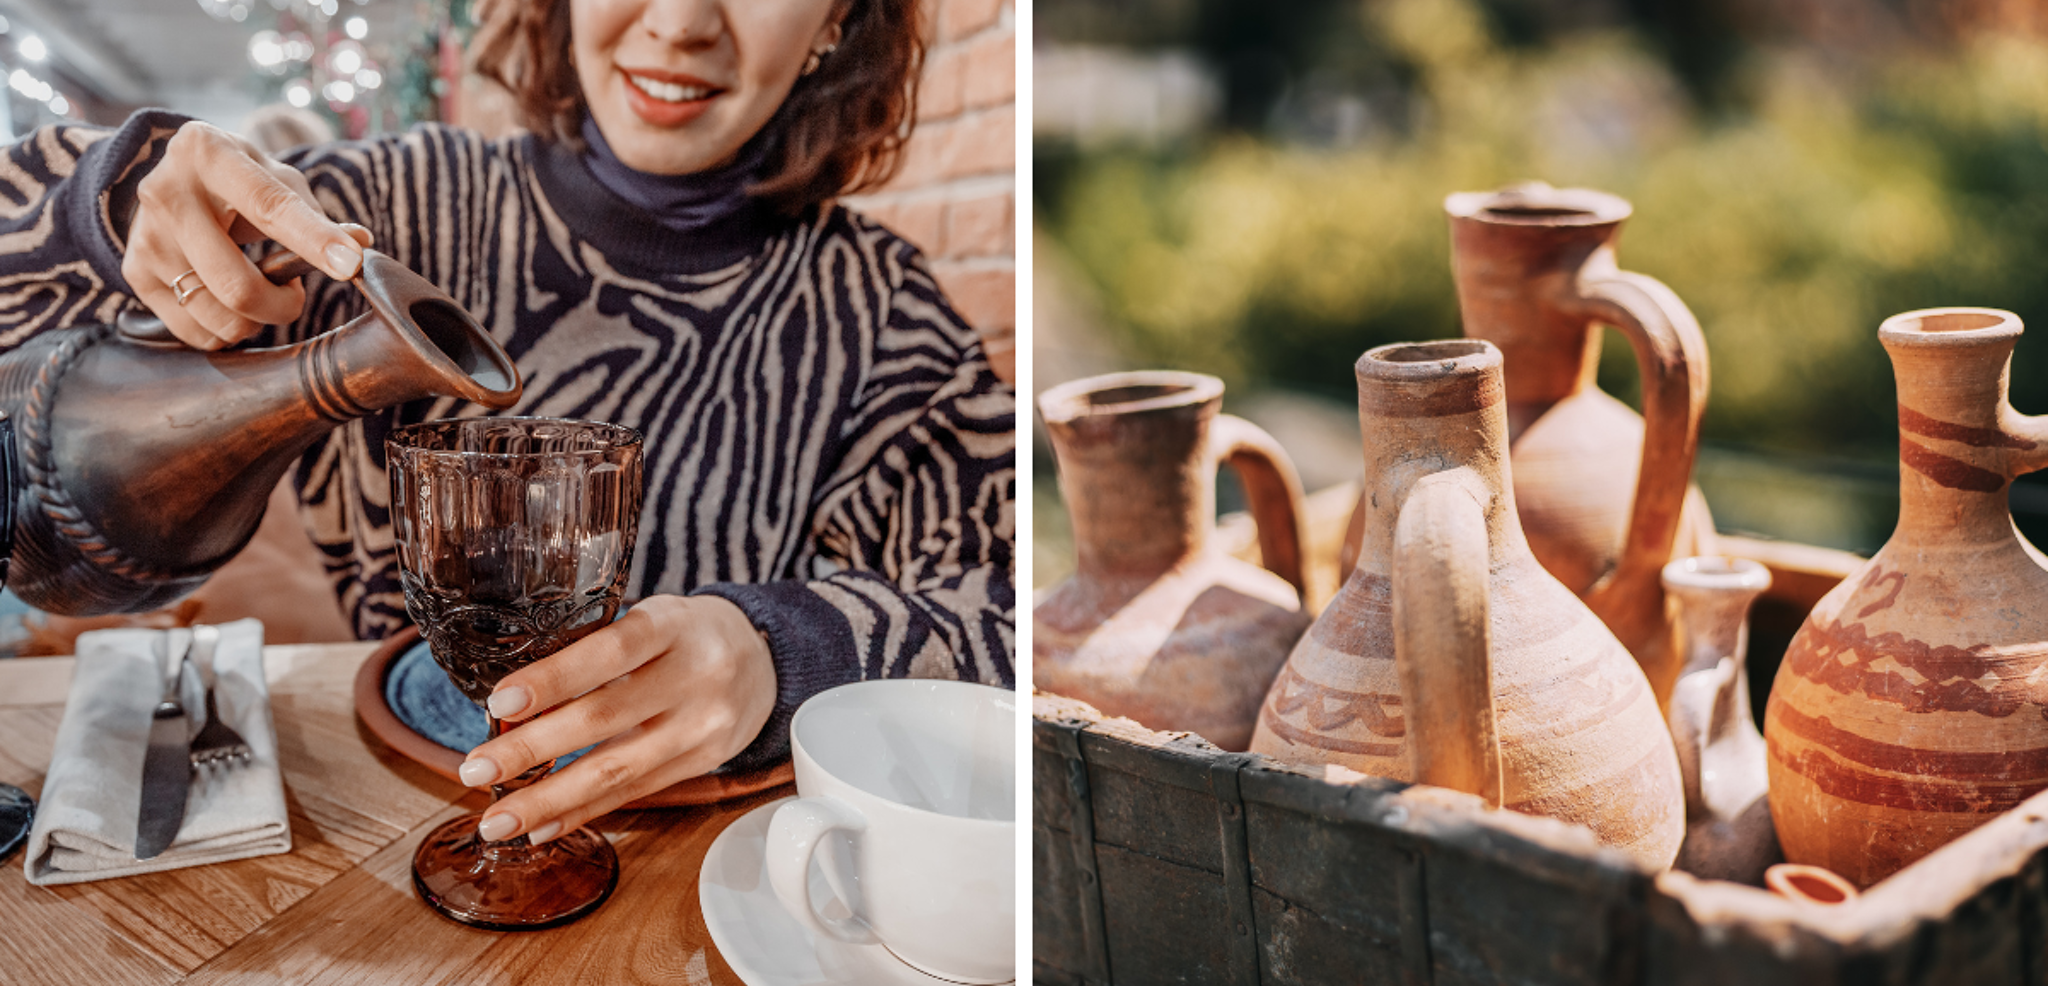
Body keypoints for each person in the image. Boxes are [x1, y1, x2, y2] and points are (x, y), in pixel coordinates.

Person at [0, 0, 1015, 846]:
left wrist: (783, 650)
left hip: (721, 855)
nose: (676, 24)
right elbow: (74, 558)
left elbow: (1018, 613)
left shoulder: (882, 316)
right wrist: (114, 203)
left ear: (837, 18)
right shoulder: (394, 209)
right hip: (395, 822)